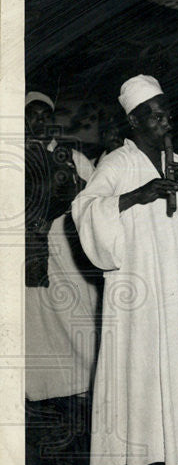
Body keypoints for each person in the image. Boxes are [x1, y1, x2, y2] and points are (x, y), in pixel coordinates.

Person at [72, 75, 178, 465]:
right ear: (134, 122)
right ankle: (133, 462)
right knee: (137, 365)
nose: (165, 119)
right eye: (154, 114)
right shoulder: (116, 164)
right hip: (135, 286)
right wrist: (134, 197)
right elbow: (84, 209)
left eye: (166, 111)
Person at [24, 91, 100, 401]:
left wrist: (65, 204)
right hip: (31, 247)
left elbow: (95, 197)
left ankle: (90, 378)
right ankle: (46, 386)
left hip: (67, 242)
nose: (41, 121)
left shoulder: (71, 157)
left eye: (46, 116)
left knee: (77, 308)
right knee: (39, 315)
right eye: (34, 115)